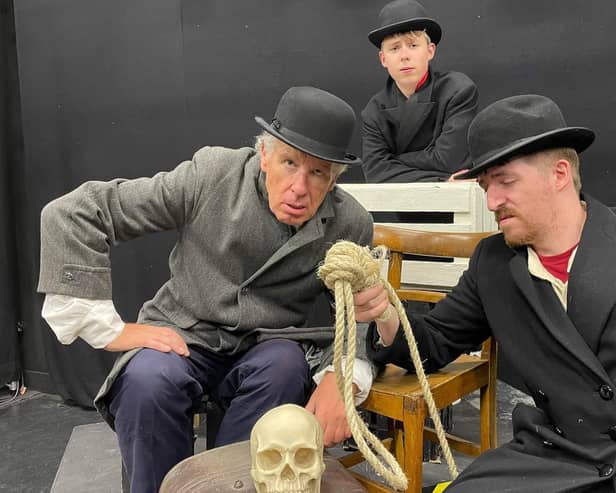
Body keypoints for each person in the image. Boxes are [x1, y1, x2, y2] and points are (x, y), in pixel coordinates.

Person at [37, 86, 376, 493]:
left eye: (318, 172)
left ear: (334, 179)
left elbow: (356, 317)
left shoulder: (351, 223)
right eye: (289, 163)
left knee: (285, 367)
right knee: (146, 380)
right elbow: (78, 212)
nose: (300, 188)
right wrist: (108, 330)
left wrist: (343, 379)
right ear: (264, 155)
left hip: (267, 345)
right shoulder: (211, 174)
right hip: (182, 334)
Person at [357, 93, 616, 492]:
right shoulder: (493, 264)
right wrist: (386, 315)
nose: (492, 201)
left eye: (505, 182)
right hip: (553, 458)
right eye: (484, 185)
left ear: (560, 174)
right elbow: (436, 342)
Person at [361, 0, 479, 183]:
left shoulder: (458, 90)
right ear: (383, 59)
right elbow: (375, 173)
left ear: (430, 51)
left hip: (459, 205)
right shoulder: (374, 111)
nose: (404, 56)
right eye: (394, 48)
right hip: (405, 205)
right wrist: (440, 180)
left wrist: (394, 160)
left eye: (413, 45)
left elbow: (449, 161)